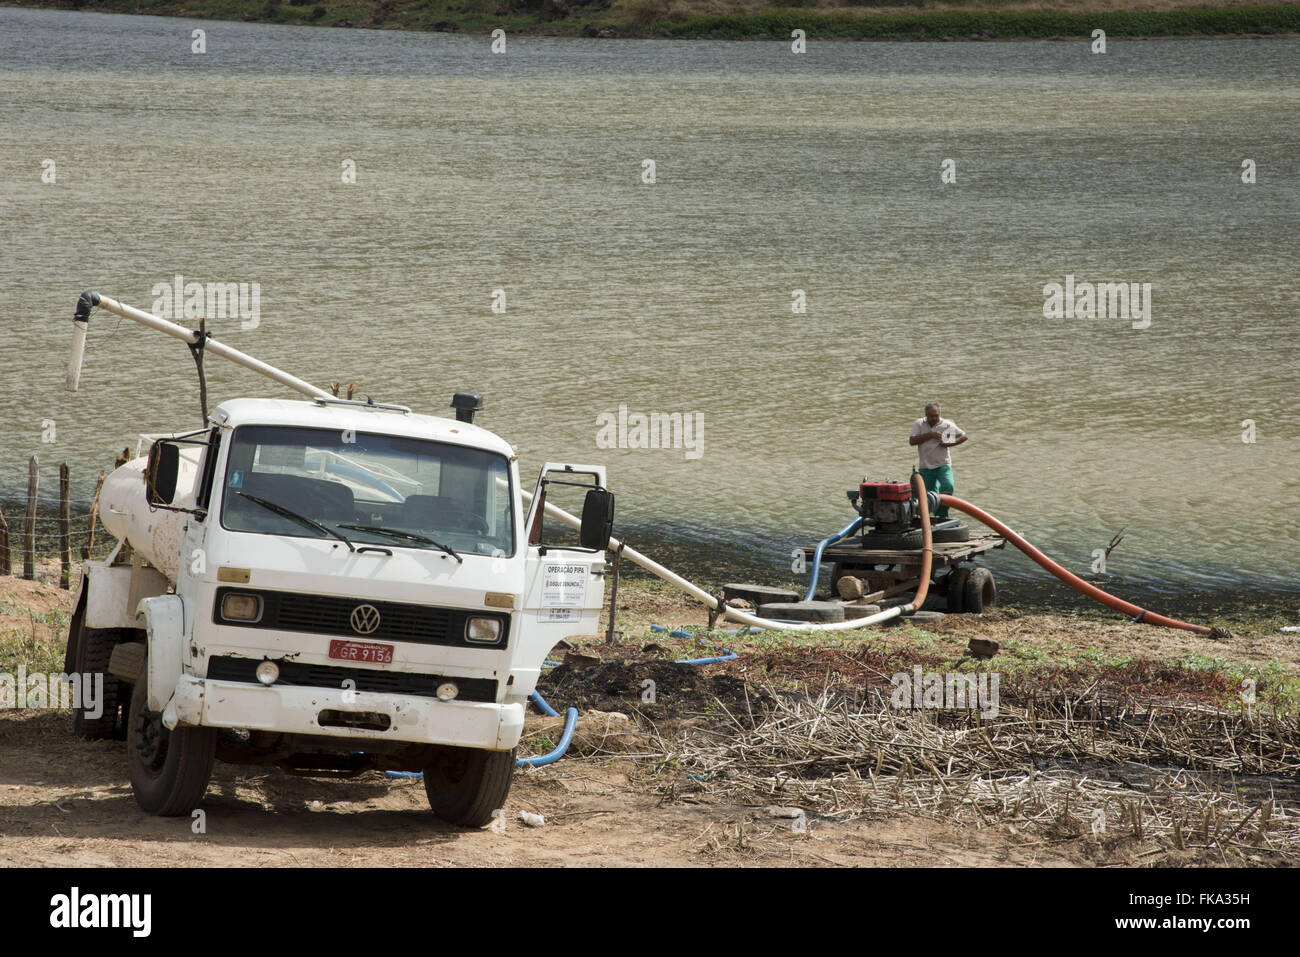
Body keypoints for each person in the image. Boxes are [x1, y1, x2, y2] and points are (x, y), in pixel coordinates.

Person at [908, 402, 968, 520]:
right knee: (929, 496)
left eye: (936, 415)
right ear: (926, 415)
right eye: (931, 416)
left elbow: (964, 436)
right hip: (925, 466)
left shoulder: (946, 425)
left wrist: (950, 443)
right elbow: (912, 441)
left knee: (948, 486)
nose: (934, 418)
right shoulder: (919, 424)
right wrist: (930, 435)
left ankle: (942, 515)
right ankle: (933, 518)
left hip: (943, 464)